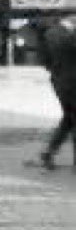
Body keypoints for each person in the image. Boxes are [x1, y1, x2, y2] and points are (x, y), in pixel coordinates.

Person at [28, 14, 76, 171]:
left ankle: (48, 153)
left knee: (69, 119)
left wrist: (57, 71)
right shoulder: (68, 36)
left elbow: (43, 60)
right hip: (72, 82)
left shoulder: (49, 34)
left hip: (59, 82)